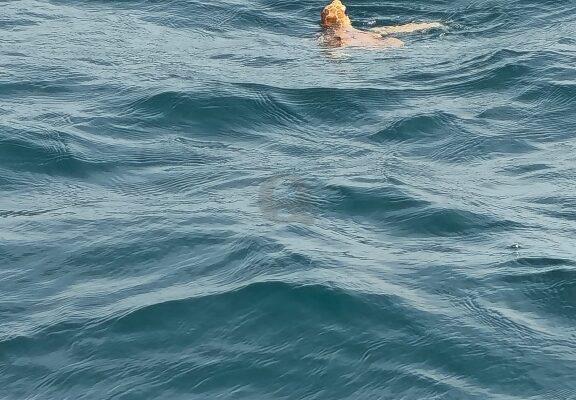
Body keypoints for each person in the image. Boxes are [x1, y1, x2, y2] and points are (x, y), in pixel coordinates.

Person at [320, 0, 443, 48]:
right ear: (346, 16)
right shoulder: (372, 31)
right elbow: (401, 29)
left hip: (349, 44)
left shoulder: (328, 36)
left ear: (325, 22)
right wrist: (431, 25)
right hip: (376, 43)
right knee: (395, 41)